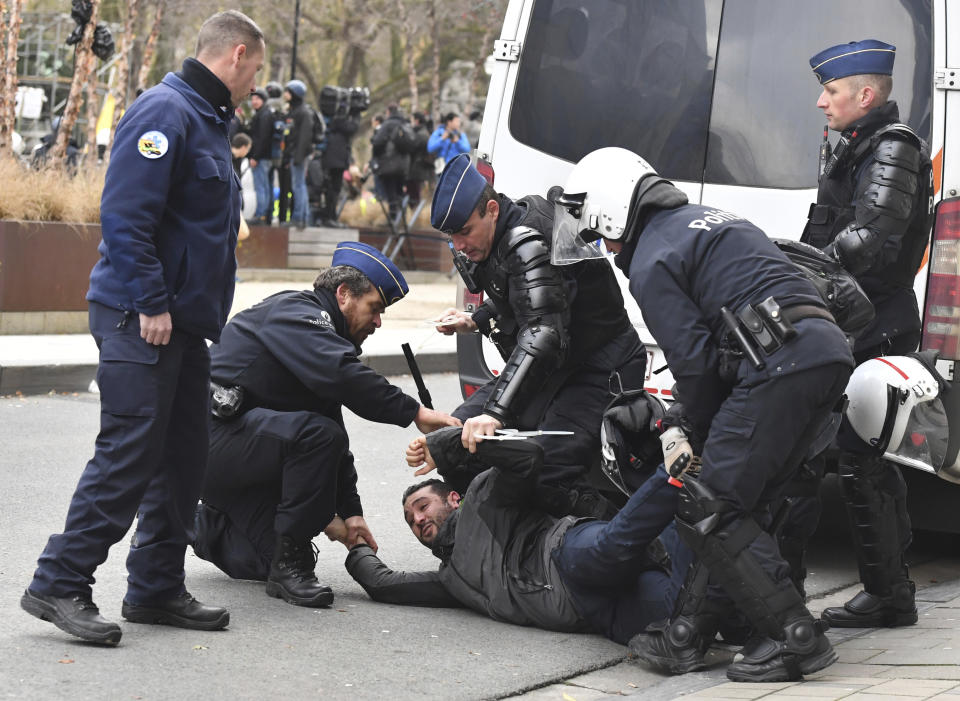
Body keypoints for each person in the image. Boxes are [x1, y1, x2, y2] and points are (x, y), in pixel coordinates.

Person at [551, 147, 855, 682]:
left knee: (708, 505)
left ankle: (794, 636)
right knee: (738, 501)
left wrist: (682, 425)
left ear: (614, 211)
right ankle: (686, 635)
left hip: (776, 362)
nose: (603, 246)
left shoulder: (651, 259)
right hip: (820, 352)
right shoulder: (703, 220)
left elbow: (693, 366)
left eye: (599, 233)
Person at [20, 10, 265, 646]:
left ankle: (156, 586)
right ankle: (59, 580)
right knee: (129, 452)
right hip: (141, 317)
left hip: (180, 325)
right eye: (256, 69)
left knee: (184, 459)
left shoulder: (208, 120)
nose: (255, 83)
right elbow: (125, 219)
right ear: (237, 55)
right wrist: (154, 302)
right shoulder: (166, 112)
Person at [193, 242, 460, 607]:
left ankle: (190, 522)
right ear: (344, 294)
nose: (378, 322)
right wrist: (415, 413)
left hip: (235, 459)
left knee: (262, 558)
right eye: (375, 308)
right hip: (207, 440)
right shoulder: (296, 312)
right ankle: (291, 569)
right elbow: (341, 379)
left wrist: (351, 514)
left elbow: (338, 444)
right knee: (316, 438)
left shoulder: (325, 341)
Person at [777, 39, 934, 630]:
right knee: (855, 458)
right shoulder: (852, 144)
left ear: (865, 95)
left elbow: (868, 242)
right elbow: (827, 228)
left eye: (832, 91)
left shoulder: (893, 150)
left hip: (874, 324)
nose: (821, 102)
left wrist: (791, 268)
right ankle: (888, 594)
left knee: (848, 456)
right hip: (843, 318)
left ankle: (808, 606)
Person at [429, 154, 647, 519]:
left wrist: (497, 414)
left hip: (598, 369)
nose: (460, 244)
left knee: (545, 472)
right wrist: (476, 319)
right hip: (555, 370)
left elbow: (543, 333)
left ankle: (616, 538)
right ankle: (489, 549)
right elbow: (526, 301)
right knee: (454, 445)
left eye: (465, 231)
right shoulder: (501, 237)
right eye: (453, 236)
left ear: (492, 210)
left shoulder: (529, 240)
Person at [341, 425, 689, 645]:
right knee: (681, 613)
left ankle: (674, 477)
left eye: (421, 506)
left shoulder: (481, 497)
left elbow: (528, 456)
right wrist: (353, 543)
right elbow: (385, 584)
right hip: (593, 611)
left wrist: (450, 444)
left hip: (563, 554)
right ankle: (699, 519)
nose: (416, 520)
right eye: (409, 519)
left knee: (607, 550)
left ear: (452, 498)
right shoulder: (450, 580)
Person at [370, 103, 412, 224]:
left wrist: (376, 158)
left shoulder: (387, 124)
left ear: (388, 112)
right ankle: (403, 218)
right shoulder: (405, 123)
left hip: (389, 163)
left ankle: (393, 218)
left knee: (390, 191)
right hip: (404, 164)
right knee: (399, 190)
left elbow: (377, 142)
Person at [318, 103, 359, 227]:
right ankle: (329, 217)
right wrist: (356, 114)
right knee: (333, 190)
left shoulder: (331, 124)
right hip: (336, 163)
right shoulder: (341, 123)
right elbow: (353, 128)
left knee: (332, 190)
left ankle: (330, 217)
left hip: (332, 162)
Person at [283, 79, 313, 229]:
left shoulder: (303, 112)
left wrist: (298, 156)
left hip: (299, 155)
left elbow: (304, 136)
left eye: (288, 91)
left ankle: (298, 217)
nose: (285, 94)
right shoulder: (295, 111)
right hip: (295, 154)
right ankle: (304, 217)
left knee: (298, 186)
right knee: (299, 185)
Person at [247, 87, 275, 224]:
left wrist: (255, 157)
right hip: (264, 157)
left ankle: (261, 215)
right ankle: (265, 215)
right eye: (252, 98)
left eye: (257, 98)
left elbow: (263, 138)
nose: (254, 101)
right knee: (265, 186)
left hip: (261, 158)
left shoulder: (264, 115)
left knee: (261, 186)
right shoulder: (262, 114)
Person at [406, 111, 434, 210]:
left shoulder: (421, 134)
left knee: (415, 195)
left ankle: (415, 216)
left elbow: (411, 148)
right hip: (419, 168)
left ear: (417, 121)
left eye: (412, 120)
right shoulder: (423, 132)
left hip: (417, 169)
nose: (411, 123)